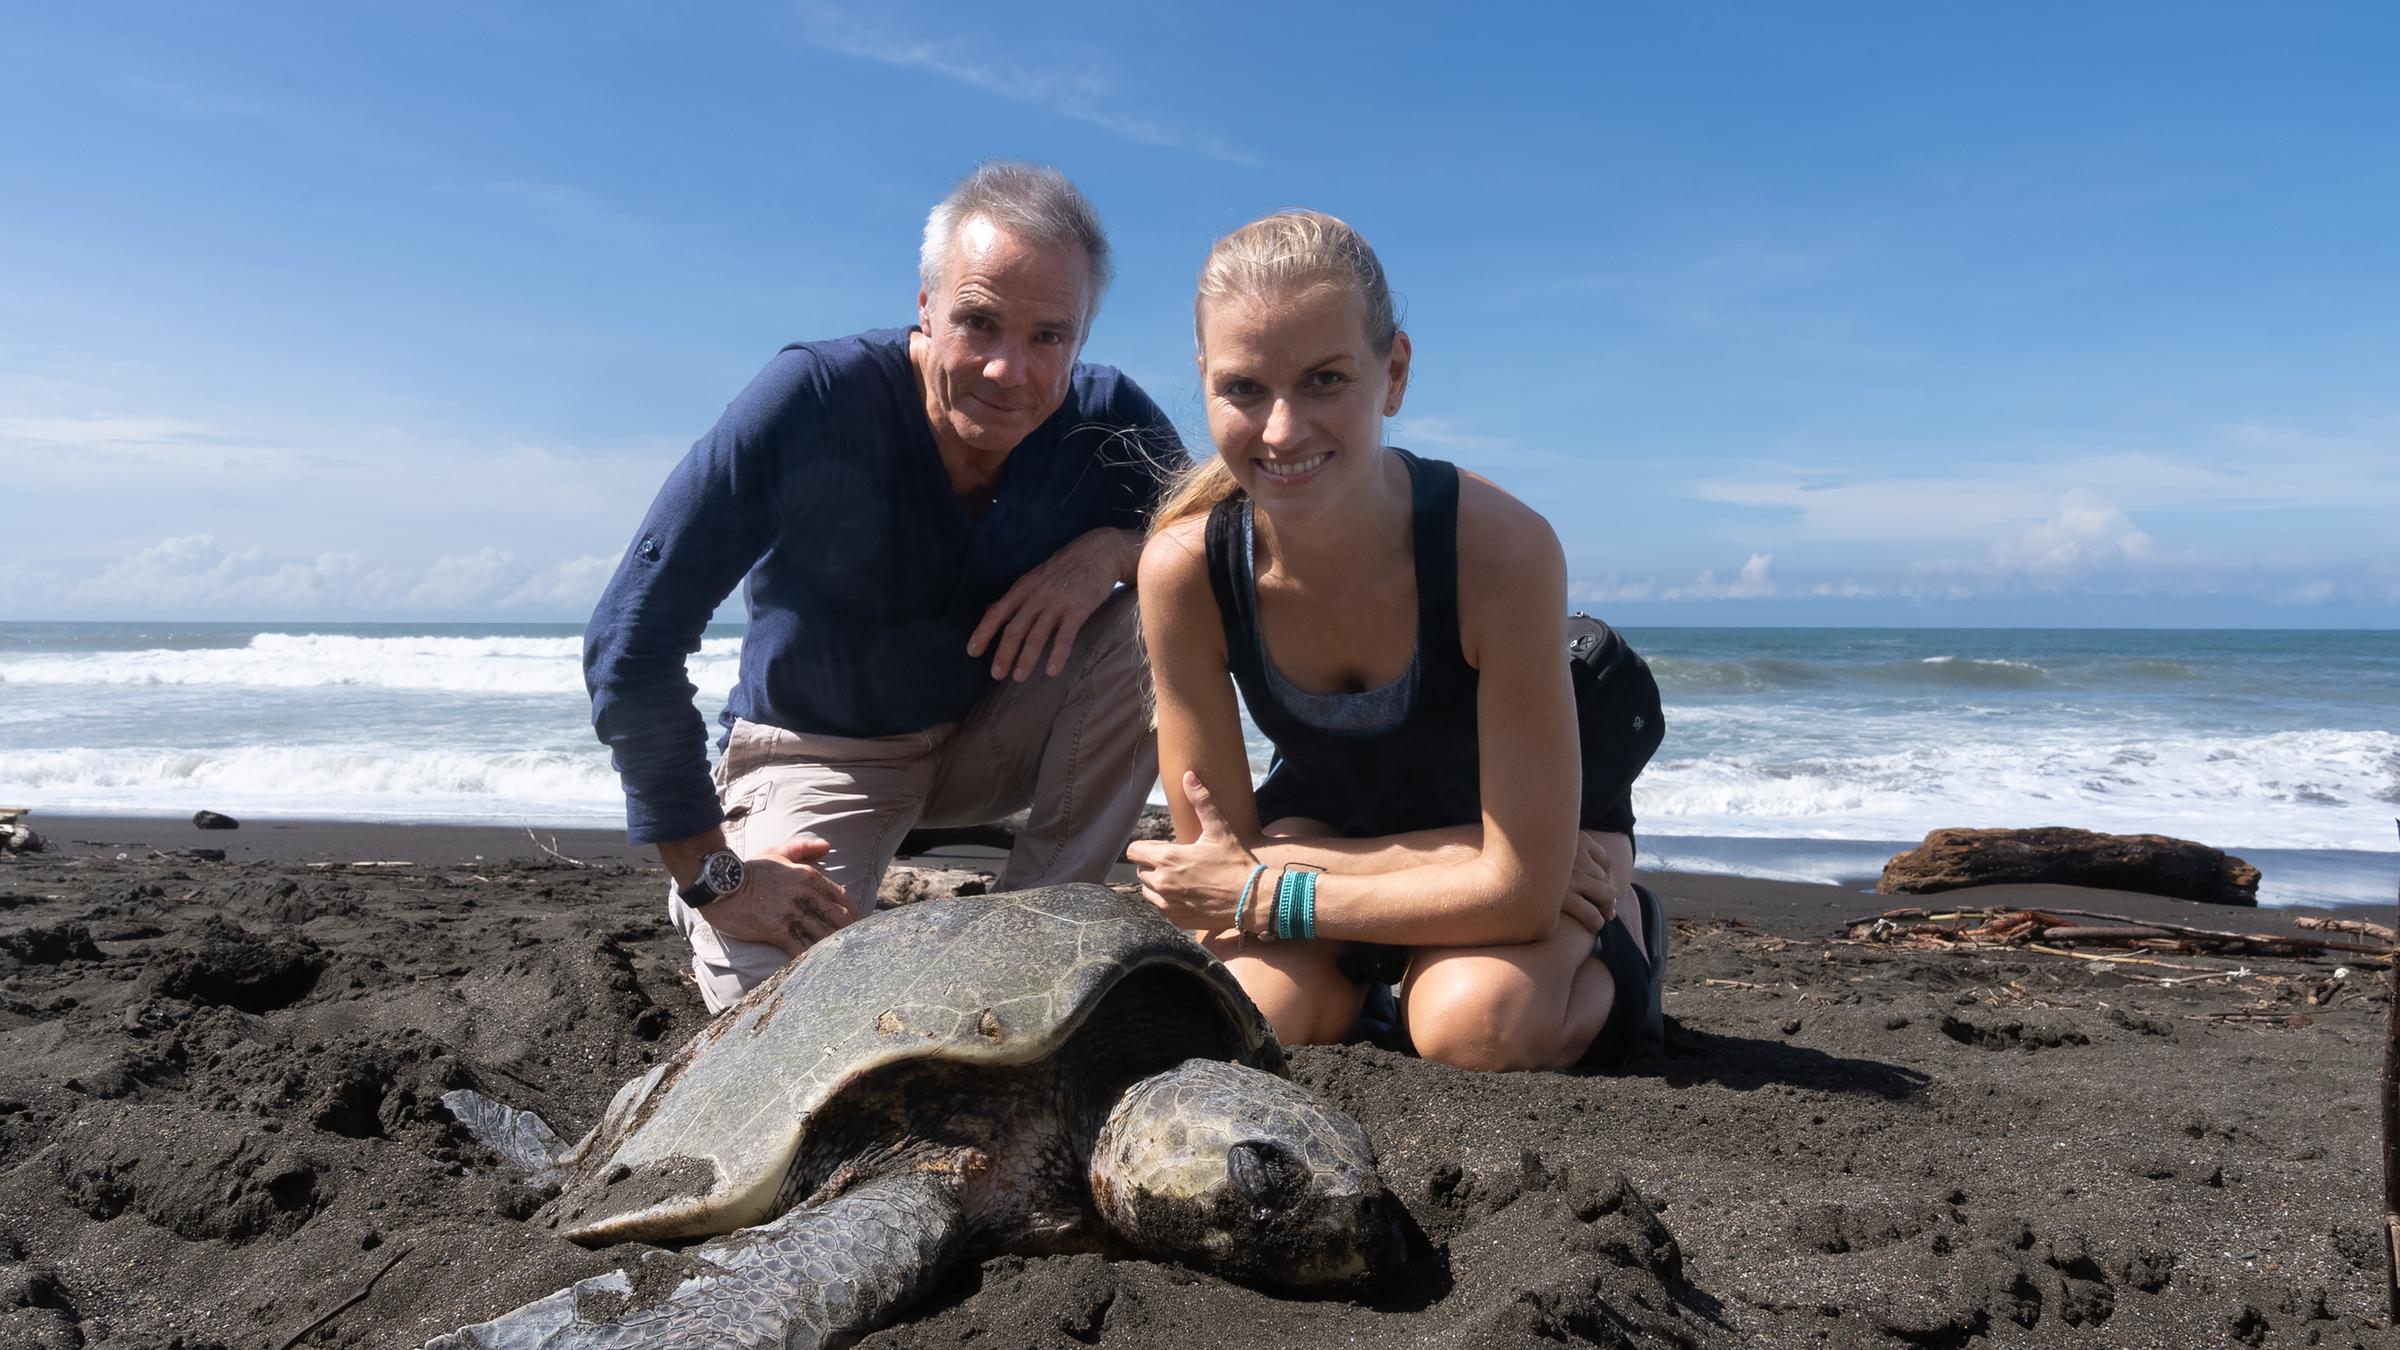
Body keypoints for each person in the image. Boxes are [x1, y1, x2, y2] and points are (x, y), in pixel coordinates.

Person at [585, 162, 1184, 1012]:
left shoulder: (1107, 419)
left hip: (992, 736)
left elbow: (1230, 543)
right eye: (979, 322)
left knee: (1164, 602)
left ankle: (1032, 934)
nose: (1008, 370)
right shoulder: (815, 399)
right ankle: (734, 853)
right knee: (779, 1012)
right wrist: (711, 873)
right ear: (927, 306)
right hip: (822, 752)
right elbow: (630, 639)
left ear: (1081, 337)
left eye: (1048, 336)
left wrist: (1115, 553)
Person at [1127, 210, 1665, 1073]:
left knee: (1475, 1024)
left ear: (1395, 373)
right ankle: (1387, 964)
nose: (1281, 430)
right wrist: (1473, 865)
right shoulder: (1185, 570)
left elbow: (1520, 895)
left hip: (1532, 808)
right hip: (1354, 802)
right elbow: (1211, 871)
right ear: (1204, 381)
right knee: (1254, 1015)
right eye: (1244, 389)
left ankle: (1629, 927)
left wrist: (1276, 886)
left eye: (1324, 379)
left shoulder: (1503, 550)